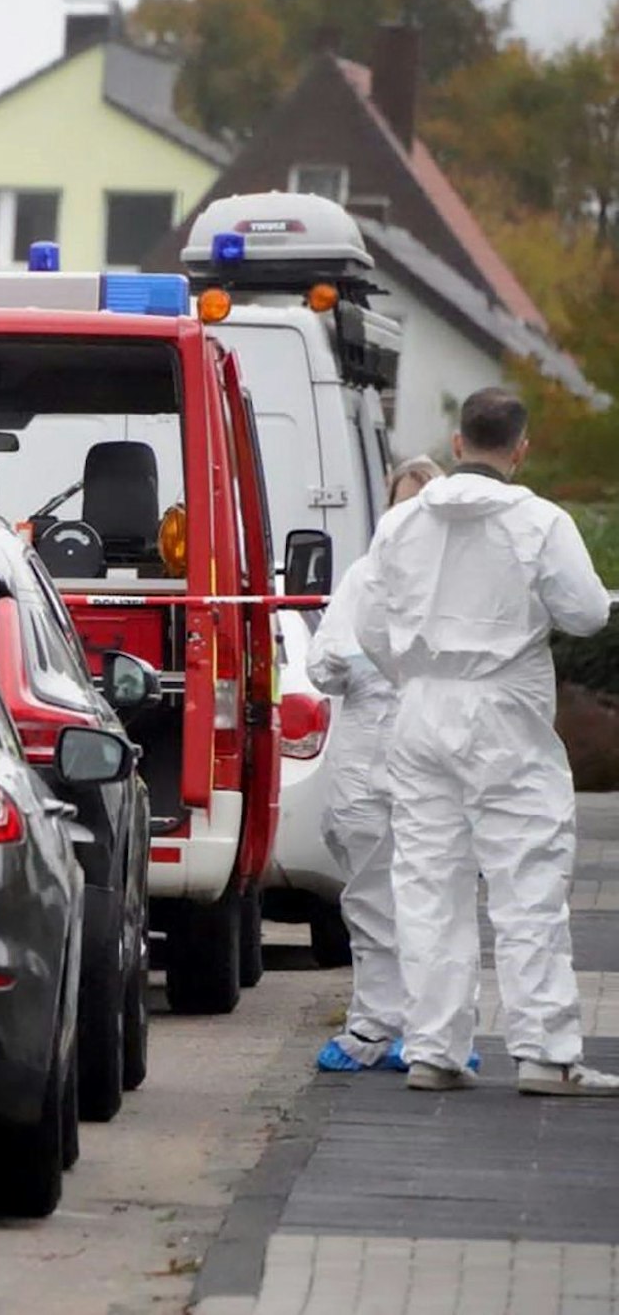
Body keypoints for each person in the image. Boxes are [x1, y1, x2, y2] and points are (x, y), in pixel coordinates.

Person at [356, 388, 617, 1095]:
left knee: (428, 883)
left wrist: (413, 675)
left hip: (421, 709)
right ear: (521, 448)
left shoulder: (402, 525)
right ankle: (544, 1052)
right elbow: (589, 615)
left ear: (458, 443)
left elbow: (371, 626)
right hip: (504, 711)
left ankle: (435, 1049)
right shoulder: (540, 522)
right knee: (527, 878)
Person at [308, 455, 441, 1072]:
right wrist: (358, 664)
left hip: (432, 760)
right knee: (368, 901)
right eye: (403, 503)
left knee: (432, 901)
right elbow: (322, 660)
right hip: (365, 763)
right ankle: (372, 1026)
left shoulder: (455, 581)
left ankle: (430, 1031)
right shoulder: (366, 576)